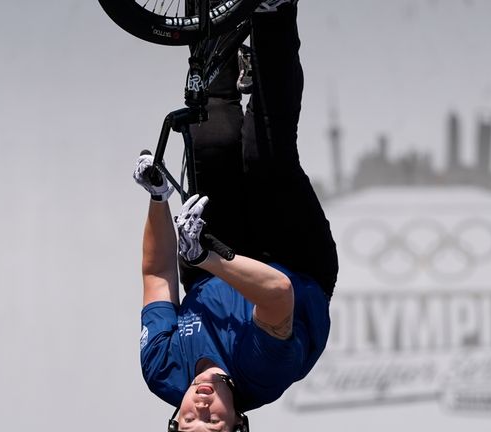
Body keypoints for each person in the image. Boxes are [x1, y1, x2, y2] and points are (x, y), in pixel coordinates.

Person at [132, 1, 338, 431]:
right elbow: (277, 293)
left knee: (212, 136)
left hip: (213, 262)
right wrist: (205, 255)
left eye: (189, 425)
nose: (200, 412)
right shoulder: (263, 375)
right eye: (213, 427)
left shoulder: (162, 370)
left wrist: (157, 198)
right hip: (293, 263)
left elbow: (157, 276)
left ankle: (211, 11)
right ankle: (271, 10)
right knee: (263, 153)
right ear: (238, 423)